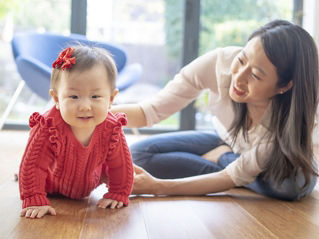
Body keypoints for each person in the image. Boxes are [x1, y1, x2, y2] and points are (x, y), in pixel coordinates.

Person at [112, 19, 319, 201]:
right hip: (227, 139)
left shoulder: (285, 124)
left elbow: (231, 177)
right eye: (241, 59)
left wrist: (156, 186)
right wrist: (94, 113)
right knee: (138, 155)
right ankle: (228, 165)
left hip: (283, 160)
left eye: (255, 75)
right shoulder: (219, 63)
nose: (239, 77)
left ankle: (223, 158)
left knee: (288, 187)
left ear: (284, 86)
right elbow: (150, 111)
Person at [19, 46, 134, 219]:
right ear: (57, 99)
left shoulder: (112, 128)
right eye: (74, 97)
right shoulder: (48, 126)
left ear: (111, 99)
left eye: (95, 97)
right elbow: (33, 165)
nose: (85, 106)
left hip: (88, 186)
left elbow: (121, 164)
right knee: (34, 166)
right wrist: (34, 198)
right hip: (50, 187)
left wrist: (119, 192)